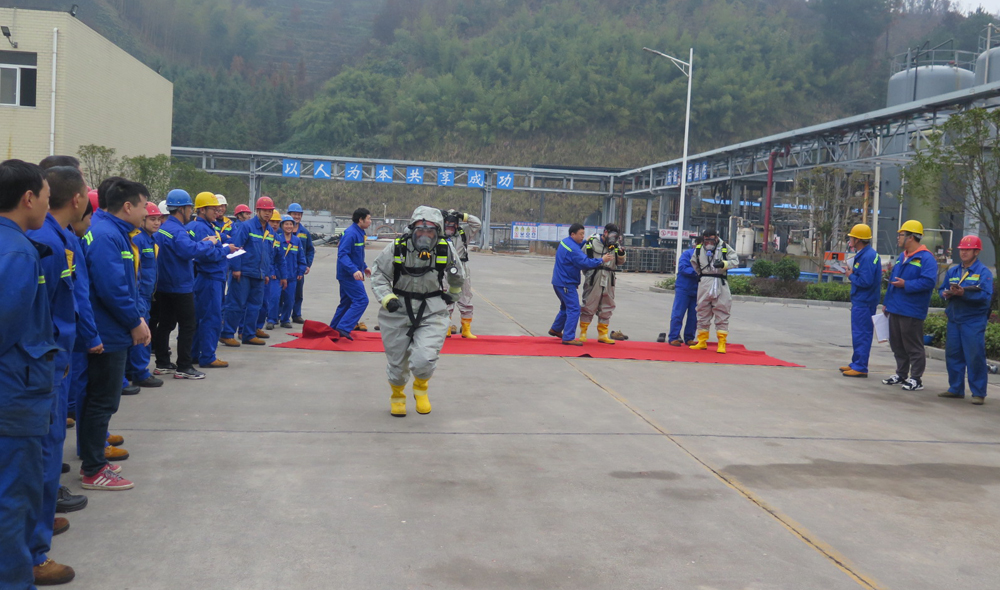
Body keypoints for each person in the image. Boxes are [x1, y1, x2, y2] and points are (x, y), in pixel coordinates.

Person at [25, 166, 93, 586]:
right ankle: (33, 550)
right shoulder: (44, 243)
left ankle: (40, 525)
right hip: (43, 364)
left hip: (55, 359)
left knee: (47, 453)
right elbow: (40, 314)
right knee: (42, 455)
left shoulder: (57, 238)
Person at [0, 159, 64, 587]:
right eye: (44, 196)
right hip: (14, 393)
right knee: (13, 500)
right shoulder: (19, 253)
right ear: (28, 199)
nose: (47, 204)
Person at [78, 180, 151, 491]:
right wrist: (135, 322)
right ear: (128, 207)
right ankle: (94, 469)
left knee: (99, 400)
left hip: (109, 329)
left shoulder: (110, 232)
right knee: (102, 400)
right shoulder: (108, 237)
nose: (147, 212)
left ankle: (94, 459)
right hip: (108, 332)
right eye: (145, 206)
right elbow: (112, 289)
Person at [370, 206, 465, 416]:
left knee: (425, 359)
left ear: (437, 232)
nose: (424, 235)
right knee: (397, 363)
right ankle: (397, 394)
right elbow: (378, 275)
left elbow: (458, 275)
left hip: (432, 309)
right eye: (420, 230)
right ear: (412, 229)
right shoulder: (397, 248)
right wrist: (387, 298)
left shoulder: (444, 249)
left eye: (430, 231)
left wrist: (454, 294)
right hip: (397, 309)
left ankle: (421, 388)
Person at [153, 190, 229, 379]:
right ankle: (184, 366)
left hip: (163, 284)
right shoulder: (178, 230)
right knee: (188, 325)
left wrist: (201, 244)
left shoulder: (163, 228)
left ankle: (162, 363)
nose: (190, 211)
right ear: (181, 209)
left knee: (166, 324)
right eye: (188, 208)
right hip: (180, 285)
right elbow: (188, 251)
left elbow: (184, 248)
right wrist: (209, 243)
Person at [882, 220, 938, 391]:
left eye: (901, 235)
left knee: (912, 345)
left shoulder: (926, 258)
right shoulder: (902, 256)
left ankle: (916, 378)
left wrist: (907, 284)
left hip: (912, 310)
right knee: (897, 343)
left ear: (911, 237)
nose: (898, 238)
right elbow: (893, 281)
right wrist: (886, 303)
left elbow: (928, 282)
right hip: (895, 307)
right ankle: (901, 373)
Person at [937, 235, 993, 405]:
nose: (964, 253)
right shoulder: (953, 271)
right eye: (962, 249)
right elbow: (941, 289)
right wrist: (946, 294)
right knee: (953, 355)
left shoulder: (983, 273)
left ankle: (978, 392)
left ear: (976, 252)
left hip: (973, 320)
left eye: (968, 250)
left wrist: (964, 294)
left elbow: (985, 297)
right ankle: (955, 389)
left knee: (974, 356)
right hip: (955, 318)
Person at [188, 192, 236, 369]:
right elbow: (205, 254)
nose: (217, 211)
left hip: (210, 278)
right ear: (202, 210)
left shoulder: (209, 226)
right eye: (213, 209)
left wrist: (224, 240)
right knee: (211, 318)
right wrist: (226, 250)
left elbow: (215, 240)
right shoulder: (201, 228)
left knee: (201, 318)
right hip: (210, 277)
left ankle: (195, 354)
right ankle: (208, 356)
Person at [222, 196, 277, 346]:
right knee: (236, 304)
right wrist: (236, 268)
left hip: (259, 274)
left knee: (255, 306)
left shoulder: (270, 231)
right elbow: (236, 247)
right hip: (244, 272)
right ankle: (227, 334)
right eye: (264, 211)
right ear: (258, 211)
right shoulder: (246, 227)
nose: (267, 214)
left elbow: (269, 253)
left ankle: (248, 334)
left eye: (270, 211)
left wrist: (266, 273)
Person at [550, 223, 612, 346]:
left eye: (583, 234)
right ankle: (568, 337)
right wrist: (602, 260)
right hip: (566, 283)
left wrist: (585, 242)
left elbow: (578, 247)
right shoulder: (573, 249)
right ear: (573, 234)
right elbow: (585, 262)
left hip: (559, 281)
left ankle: (556, 329)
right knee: (574, 309)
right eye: (581, 234)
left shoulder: (566, 242)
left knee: (565, 307)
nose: (582, 237)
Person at [127, 202, 164, 388]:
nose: (157, 223)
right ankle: (140, 372)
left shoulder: (151, 239)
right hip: (140, 294)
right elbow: (137, 270)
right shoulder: (139, 239)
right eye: (152, 219)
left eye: (158, 219)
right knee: (143, 335)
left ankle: (133, 370)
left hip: (148, 294)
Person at [689, 228, 739, 353]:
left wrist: (723, 264)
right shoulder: (699, 249)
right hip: (705, 282)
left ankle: (721, 343)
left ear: (716, 238)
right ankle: (702, 341)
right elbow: (694, 262)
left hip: (720, 282)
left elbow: (735, 261)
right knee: (702, 311)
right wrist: (702, 275)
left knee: (722, 310)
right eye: (706, 240)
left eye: (711, 240)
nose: (708, 243)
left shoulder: (725, 247)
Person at [841, 224, 882, 378]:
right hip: (861, 301)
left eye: (851, 237)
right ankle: (856, 362)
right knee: (858, 333)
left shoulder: (868, 256)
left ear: (858, 239)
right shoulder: (864, 254)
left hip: (865, 301)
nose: (849, 239)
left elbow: (866, 281)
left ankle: (860, 366)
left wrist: (851, 275)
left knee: (862, 334)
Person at [579, 223, 627, 344]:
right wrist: (589, 274)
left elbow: (620, 262)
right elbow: (583, 260)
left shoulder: (615, 245)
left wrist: (621, 253)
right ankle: (583, 332)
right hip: (594, 277)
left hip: (609, 278)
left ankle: (603, 334)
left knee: (607, 305)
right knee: (589, 304)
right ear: (605, 232)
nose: (613, 239)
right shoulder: (591, 243)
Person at [330, 208, 372, 340]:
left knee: (346, 303)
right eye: (369, 219)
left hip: (351, 273)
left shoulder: (359, 232)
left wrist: (364, 267)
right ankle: (344, 327)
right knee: (361, 300)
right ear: (361, 220)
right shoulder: (350, 233)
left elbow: (356, 255)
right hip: (348, 275)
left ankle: (333, 329)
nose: (370, 221)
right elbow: (343, 255)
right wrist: (354, 270)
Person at [442, 208, 482, 338]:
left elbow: (477, 224)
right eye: (447, 224)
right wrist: (437, 215)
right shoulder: (438, 232)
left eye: (452, 225)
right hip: (444, 269)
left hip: (462, 268)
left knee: (465, 297)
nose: (449, 228)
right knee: (445, 297)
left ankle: (466, 328)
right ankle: (446, 327)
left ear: (457, 225)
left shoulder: (463, 232)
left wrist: (464, 216)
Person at [667, 236, 701, 346]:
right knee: (678, 313)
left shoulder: (708, 257)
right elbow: (682, 268)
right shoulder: (687, 254)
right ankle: (673, 337)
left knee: (693, 316)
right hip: (684, 288)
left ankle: (689, 338)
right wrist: (698, 272)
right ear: (696, 244)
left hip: (698, 289)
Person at [287, 203, 315, 324]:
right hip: (284, 266)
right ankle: (279, 314)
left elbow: (310, 250)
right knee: (281, 293)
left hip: (298, 268)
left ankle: (296, 314)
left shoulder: (304, 232)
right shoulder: (281, 231)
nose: (296, 217)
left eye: (299, 215)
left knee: (298, 293)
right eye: (294, 214)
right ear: (289, 215)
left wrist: (307, 265)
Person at [277, 214, 307, 328]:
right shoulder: (277, 238)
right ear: (282, 226)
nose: (289, 226)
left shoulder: (297, 240)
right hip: (279, 275)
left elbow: (301, 257)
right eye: (286, 224)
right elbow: (273, 257)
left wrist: (300, 271)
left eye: (291, 224)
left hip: (292, 276)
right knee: (275, 298)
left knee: (290, 300)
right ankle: (272, 318)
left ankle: (285, 320)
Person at [263, 210, 284, 331]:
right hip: (262, 272)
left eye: (277, 222)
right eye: (272, 221)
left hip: (275, 275)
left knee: (274, 297)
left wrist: (281, 275)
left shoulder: (278, 238)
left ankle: (271, 319)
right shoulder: (261, 234)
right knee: (259, 301)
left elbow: (280, 259)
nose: (275, 224)